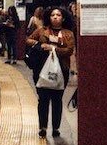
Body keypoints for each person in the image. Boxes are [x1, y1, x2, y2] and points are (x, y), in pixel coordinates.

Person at [26, 7, 75, 138]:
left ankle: (56, 128)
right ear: (49, 17)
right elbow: (28, 39)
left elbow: (69, 50)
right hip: (41, 69)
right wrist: (39, 44)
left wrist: (53, 48)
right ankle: (42, 127)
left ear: (63, 18)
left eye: (58, 15)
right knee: (43, 99)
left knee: (57, 99)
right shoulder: (42, 30)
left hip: (61, 70)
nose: (55, 17)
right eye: (52, 15)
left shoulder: (68, 33)